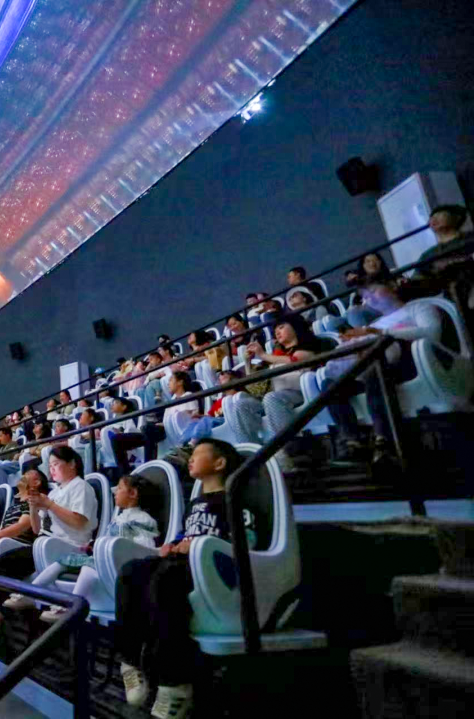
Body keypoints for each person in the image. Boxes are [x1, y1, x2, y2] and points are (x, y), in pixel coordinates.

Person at [116, 439, 256, 719]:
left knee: (166, 580)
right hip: (181, 561)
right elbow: (186, 534)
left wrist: (200, 544)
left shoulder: (232, 499)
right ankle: (130, 661)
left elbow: (247, 541)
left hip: (210, 570)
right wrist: (175, 543)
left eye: (198, 453)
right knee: (132, 571)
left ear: (219, 463)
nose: (190, 458)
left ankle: (174, 684)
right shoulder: (196, 503)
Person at [0, 447, 98, 653]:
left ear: (72, 464)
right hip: (44, 546)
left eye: (56, 464)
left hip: (67, 547)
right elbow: (36, 529)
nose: (52, 469)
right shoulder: (56, 492)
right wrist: (34, 506)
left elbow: (79, 522)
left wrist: (49, 504)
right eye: (50, 465)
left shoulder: (81, 487)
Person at [323, 278, 444, 463]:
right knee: (330, 384)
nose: (370, 298)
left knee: (376, 370)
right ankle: (351, 440)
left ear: (392, 286)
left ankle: (384, 440)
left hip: (412, 363)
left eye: (373, 291)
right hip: (375, 370)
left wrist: (379, 333)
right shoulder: (377, 323)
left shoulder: (417, 308)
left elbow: (432, 332)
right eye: (365, 296)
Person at [31, 473, 160, 622]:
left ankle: (71, 606)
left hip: (122, 561)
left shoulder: (143, 519)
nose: (115, 491)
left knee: (89, 568)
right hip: (105, 557)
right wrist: (93, 546)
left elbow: (144, 547)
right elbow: (107, 539)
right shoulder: (119, 518)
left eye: (119, 488)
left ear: (133, 493)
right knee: (64, 560)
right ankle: (32, 592)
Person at [224, 314, 320, 469]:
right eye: (275, 329)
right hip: (274, 397)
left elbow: (294, 361)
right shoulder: (276, 356)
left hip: (299, 393)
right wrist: (248, 362)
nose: (277, 332)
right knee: (240, 406)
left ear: (295, 328)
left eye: (281, 327)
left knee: (271, 398)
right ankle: (252, 456)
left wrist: (263, 355)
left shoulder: (305, 349)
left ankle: (289, 450)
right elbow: (255, 386)